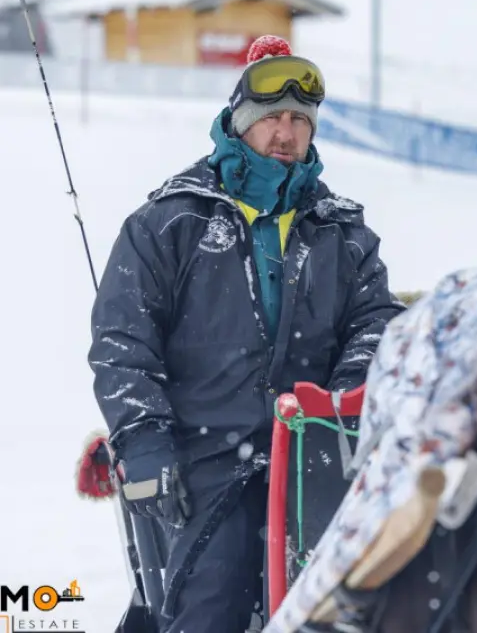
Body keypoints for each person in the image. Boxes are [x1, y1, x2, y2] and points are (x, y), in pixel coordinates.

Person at [88, 35, 405, 633]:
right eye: (271, 119)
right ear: (240, 124)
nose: (285, 134)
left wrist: (336, 410)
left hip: (317, 466)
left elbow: (376, 323)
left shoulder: (343, 231)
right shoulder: (171, 221)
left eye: (299, 120)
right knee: (212, 608)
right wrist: (146, 442)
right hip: (205, 466)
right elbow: (122, 341)